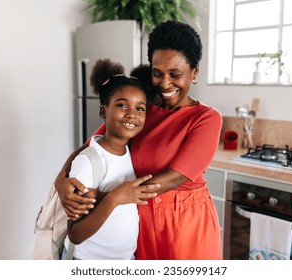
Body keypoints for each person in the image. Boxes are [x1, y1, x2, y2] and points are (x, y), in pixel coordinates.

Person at [55, 20, 223, 260]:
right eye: (157, 73)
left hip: (184, 222)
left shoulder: (206, 118)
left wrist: (105, 197)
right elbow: (91, 146)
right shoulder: (140, 111)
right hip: (139, 220)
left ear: (195, 72)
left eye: (175, 75)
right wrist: (61, 181)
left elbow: (173, 179)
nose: (165, 84)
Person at [62, 58, 160, 260]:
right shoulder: (88, 162)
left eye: (139, 108)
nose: (132, 114)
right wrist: (115, 198)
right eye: (122, 105)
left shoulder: (130, 152)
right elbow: (75, 234)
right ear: (103, 112)